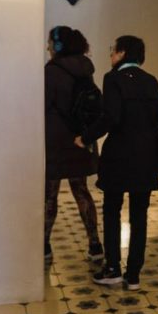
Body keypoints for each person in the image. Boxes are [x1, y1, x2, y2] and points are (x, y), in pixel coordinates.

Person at [80, 35, 158, 290]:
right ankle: (134, 275)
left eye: (113, 50)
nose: (111, 55)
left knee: (112, 210)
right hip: (147, 158)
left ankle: (112, 268)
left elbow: (111, 118)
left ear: (123, 53)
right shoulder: (151, 81)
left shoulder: (113, 79)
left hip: (119, 156)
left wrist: (85, 137)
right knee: (139, 215)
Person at [44, 26, 103, 262]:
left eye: (50, 42)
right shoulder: (85, 69)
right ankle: (95, 244)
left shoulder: (51, 71)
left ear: (58, 45)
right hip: (82, 139)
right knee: (81, 191)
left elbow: (43, 105)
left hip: (55, 142)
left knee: (50, 195)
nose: (47, 47)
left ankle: (44, 246)